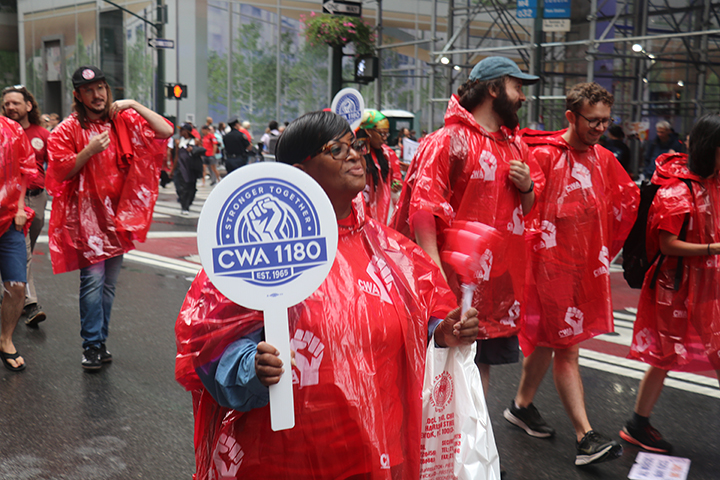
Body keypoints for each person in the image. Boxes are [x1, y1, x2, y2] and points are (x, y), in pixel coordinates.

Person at [175, 111, 480, 480]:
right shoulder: (257, 250)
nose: (354, 155)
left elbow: (426, 318)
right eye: (336, 149)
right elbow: (209, 348)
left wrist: (444, 333)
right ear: (300, 172)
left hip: (378, 453)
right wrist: (251, 368)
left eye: (355, 145)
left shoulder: (388, 249)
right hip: (286, 460)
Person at [392, 56, 544, 398]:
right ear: (493, 90)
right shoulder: (447, 140)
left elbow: (527, 209)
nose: (523, 96)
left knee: (478, 368)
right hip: (451, 284)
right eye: (517, 87)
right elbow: (423, 210)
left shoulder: (515, 145)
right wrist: (437, 283)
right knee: (440, 371)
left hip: (496, 288)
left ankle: (474, 434)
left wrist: (527, 188)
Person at [507, 82, 639, 466]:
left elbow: (625, 200)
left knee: (549, 341)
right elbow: (526, 208)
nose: (600, 128)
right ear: (571, 116)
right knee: (567, 347)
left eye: (605, 120)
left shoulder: (603, 158)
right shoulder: (545, 155)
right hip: (549, 269)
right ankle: (585, 436)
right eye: (592, 120)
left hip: (584, 268)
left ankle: (521, 406)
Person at [46, 65, 173, 370]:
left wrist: (133, 104)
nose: (97, 94)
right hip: (88, 220)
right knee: (93, 282)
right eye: (89, 90)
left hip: (118, 217)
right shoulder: (67, 129)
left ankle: (99, 341)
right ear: (78, 95)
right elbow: (59, 172)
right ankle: (91, 345)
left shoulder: (122, 120)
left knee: (109, 285)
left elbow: (165, 131)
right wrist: (88, 151)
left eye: (101, 87)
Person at [621, 114, 720, 454]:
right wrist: (713, 248)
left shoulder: (713, 182)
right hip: (673, 287)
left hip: (708, 284)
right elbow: (667, 245)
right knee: (663, 357)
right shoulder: (677, 189)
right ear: (711, 149)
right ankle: (637, 424)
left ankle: (637, 423)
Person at [1, 85, 49, 327]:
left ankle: (11, 293)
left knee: (23, 250)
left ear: (28, 106)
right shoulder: (4, 132)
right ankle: (30, 303)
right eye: (7, 103)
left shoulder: (42, 133)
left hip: (38, 197)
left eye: (16, 103)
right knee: (24, 252)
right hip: (13, 203)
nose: (11, 107)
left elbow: (56, 164)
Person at [0, 115, 37, 372]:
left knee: (17, 286)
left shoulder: (12, 129)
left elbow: (25, 169)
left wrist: (21, 205)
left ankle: (5, 340)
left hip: (10, 219)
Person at [357, 110, 403, 225]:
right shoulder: (354, 152)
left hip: (381, 212)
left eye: (387, 134)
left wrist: (395, 183)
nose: (385, 138)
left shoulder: (387, 154)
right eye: (382, 134)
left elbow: (396, 176)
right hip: (359, 210)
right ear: (368, 131)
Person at [171, 123, 204, 215]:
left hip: (192, 168)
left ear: (187, 131)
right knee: (181, 187)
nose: (180, 132)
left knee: (191, 187)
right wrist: (173, 170)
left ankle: (188, 202)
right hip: (181, 168)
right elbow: (176, 156)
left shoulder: (195, 141)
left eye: (182, 130)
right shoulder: (178, 142)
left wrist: (193, 150)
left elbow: (201, 151)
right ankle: (184, 206)